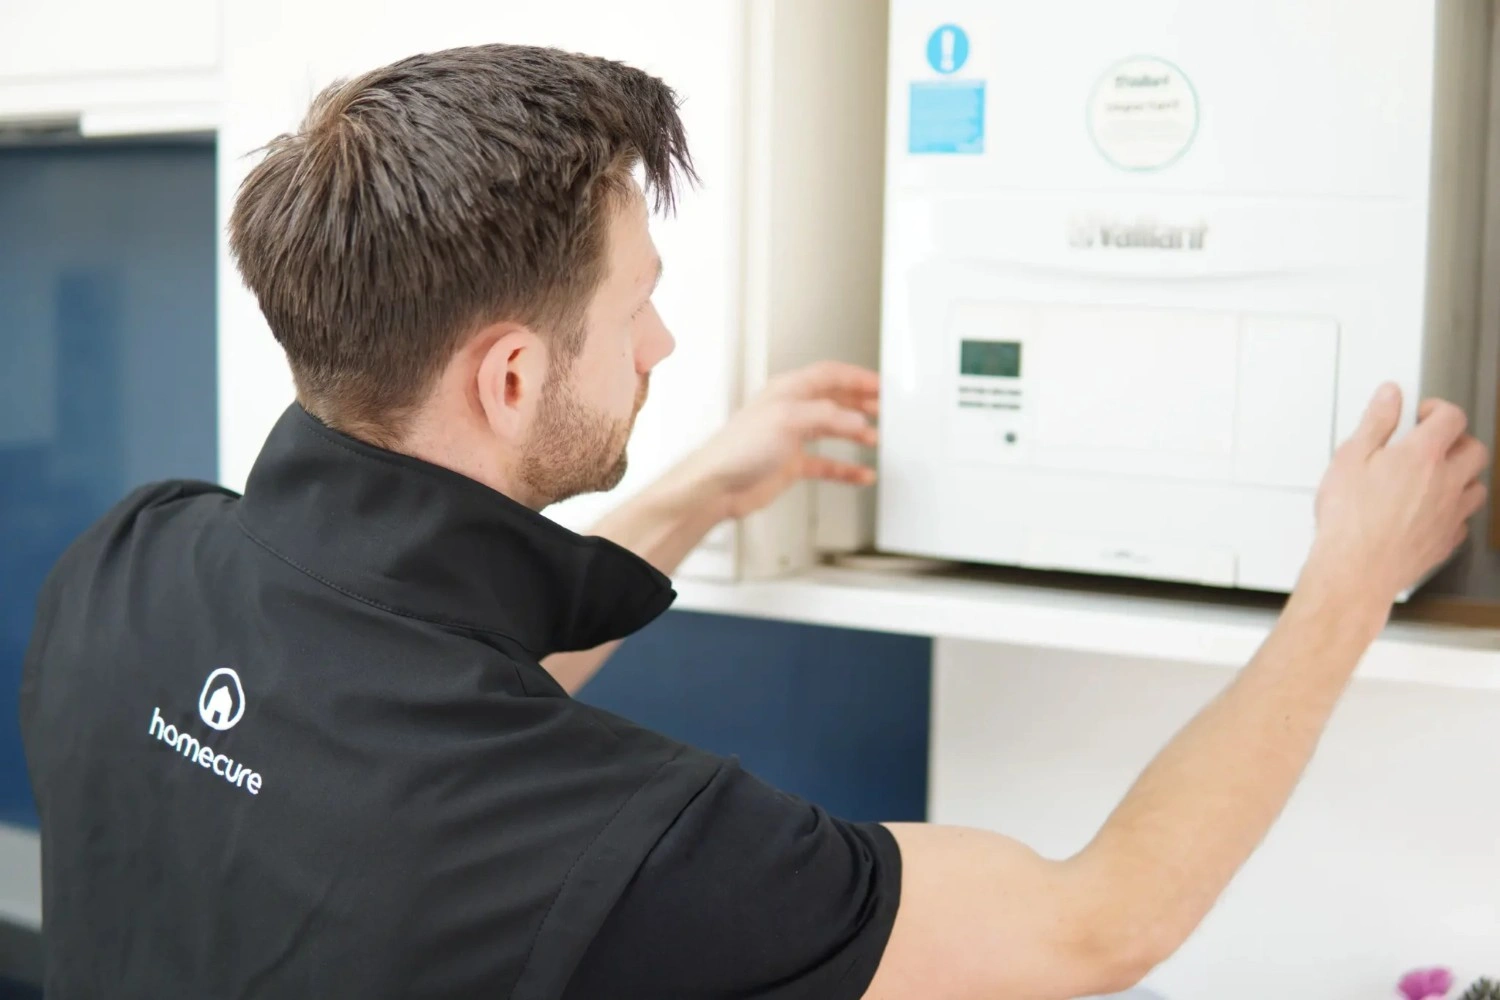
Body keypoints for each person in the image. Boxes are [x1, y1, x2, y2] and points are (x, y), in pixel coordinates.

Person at [19, 43, 1488, 1000]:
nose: (659, 345)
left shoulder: (133, 561)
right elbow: (1101, 919)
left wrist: (706, 487)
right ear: (514, 374)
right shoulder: (643, 843)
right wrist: (1350, 574)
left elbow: (426, 712)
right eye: (638, 305)